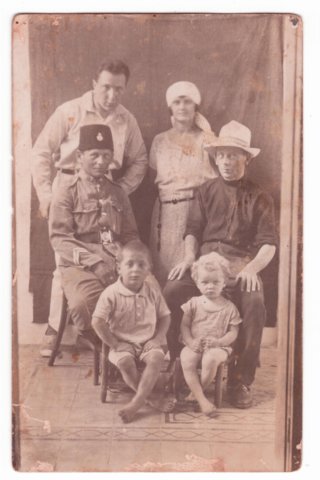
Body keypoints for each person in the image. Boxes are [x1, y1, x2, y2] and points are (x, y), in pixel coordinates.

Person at [31, 59, 148, 355]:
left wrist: (121, 191)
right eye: (106, 87)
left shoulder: (126, 119)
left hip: (107, 189)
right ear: (94, 84)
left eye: (118, 89)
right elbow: (42, 151)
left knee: (114, 256)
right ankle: (56, 329)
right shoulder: (70, 111)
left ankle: (121, 337)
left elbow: (140, 160)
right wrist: (46, 194)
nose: (112, 95)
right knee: (66, 264)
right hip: (69, 185)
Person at [163, 120, 278, 409]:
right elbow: (192, 231)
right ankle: (181, 364)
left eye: (234, 155)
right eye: (222, 155)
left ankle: (241, 381)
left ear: (247, 159)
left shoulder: (260, 196)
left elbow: (268, 243)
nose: (226, 161)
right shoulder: (205, 191)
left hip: (240, 265)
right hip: (204, 264)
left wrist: (252, 268)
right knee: (173, 290)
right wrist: (189, 258)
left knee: (254, 302)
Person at [48, 124, 139, 348]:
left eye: (106, 155)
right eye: (94, 155)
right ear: (80, 156)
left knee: (149, 293)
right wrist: (95, 263)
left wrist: (130, 262)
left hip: (117, 261)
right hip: (80, 265)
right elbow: (60, 238)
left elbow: (130, 235)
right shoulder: (65, 191)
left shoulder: (117, 192)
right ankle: (110, 350)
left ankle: (133, 354)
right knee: (82, 305)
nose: (101, 161)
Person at [92, 240, 175, 423]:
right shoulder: (111, 293)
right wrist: (114, 343)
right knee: (125, 363)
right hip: (122, 343)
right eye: (129, 264)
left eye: (141, 265)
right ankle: (151, 398)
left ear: (149, 269)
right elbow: (97, 321)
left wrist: (159, 337)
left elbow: (165, 317)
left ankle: (136, 402)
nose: (135, 270)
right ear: (118, 267)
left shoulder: (152, 291)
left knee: (156, 359)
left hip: (148, 341)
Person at [149, 81, 217, 286]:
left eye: (188, 101)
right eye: (177, 102)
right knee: (163, 272)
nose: (182, 106)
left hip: (195, 211)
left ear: (196, 106)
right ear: (170, 106)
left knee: (192, 274)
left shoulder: (207, 139)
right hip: (165, 214)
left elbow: (218, 173)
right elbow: (155, 174)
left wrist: (209, 134)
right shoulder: (159, 141)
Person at [180, 252, 241, 417]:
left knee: (210, 359)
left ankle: (196, 394)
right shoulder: (193, 303)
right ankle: (202, 399)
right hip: (194, 343)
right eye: (205, 282)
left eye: (216, 282)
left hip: (218, 346)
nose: (210, 286)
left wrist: (219, 342)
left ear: (224, 283)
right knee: (187, 359)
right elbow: (184, 326)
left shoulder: (229, 308)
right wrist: (190, 341)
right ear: (197, 283)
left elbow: (233, 332)